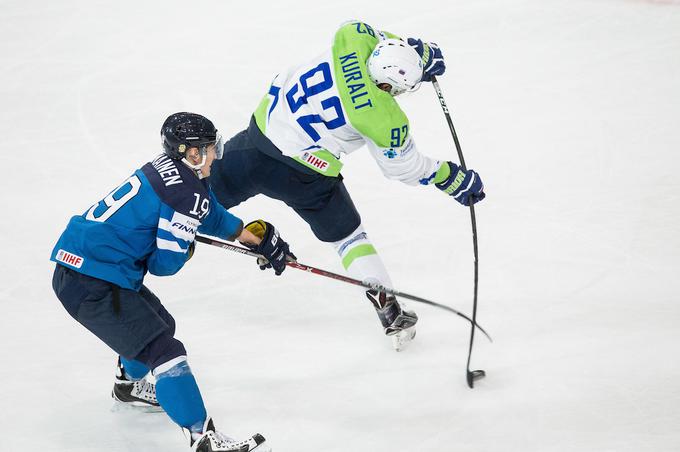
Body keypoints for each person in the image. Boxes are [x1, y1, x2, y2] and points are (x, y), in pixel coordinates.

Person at [209, 20, 486, 351]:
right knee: (348, 237)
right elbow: (404, 168)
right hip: (303, 175)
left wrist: (416, 52)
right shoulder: (383, 117)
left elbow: (383, 41)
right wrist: (450, 178)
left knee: (193, 198)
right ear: (389, 87)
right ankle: (387, 304)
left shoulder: (352, 36)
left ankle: (148, 228)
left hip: (256, 143)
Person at [50, 112, 293, 452]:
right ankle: (201, 438)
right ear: (192, 153)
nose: (215, 154)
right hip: (92, 280)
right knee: (165, 351)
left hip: (90, 266)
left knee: (161, 324)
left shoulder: (170, 168)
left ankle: (129, 385)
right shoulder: (184, 192)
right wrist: (186, 244)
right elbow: (164, 265)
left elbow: (202, 208)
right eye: (209, 148)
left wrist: (244, 233)